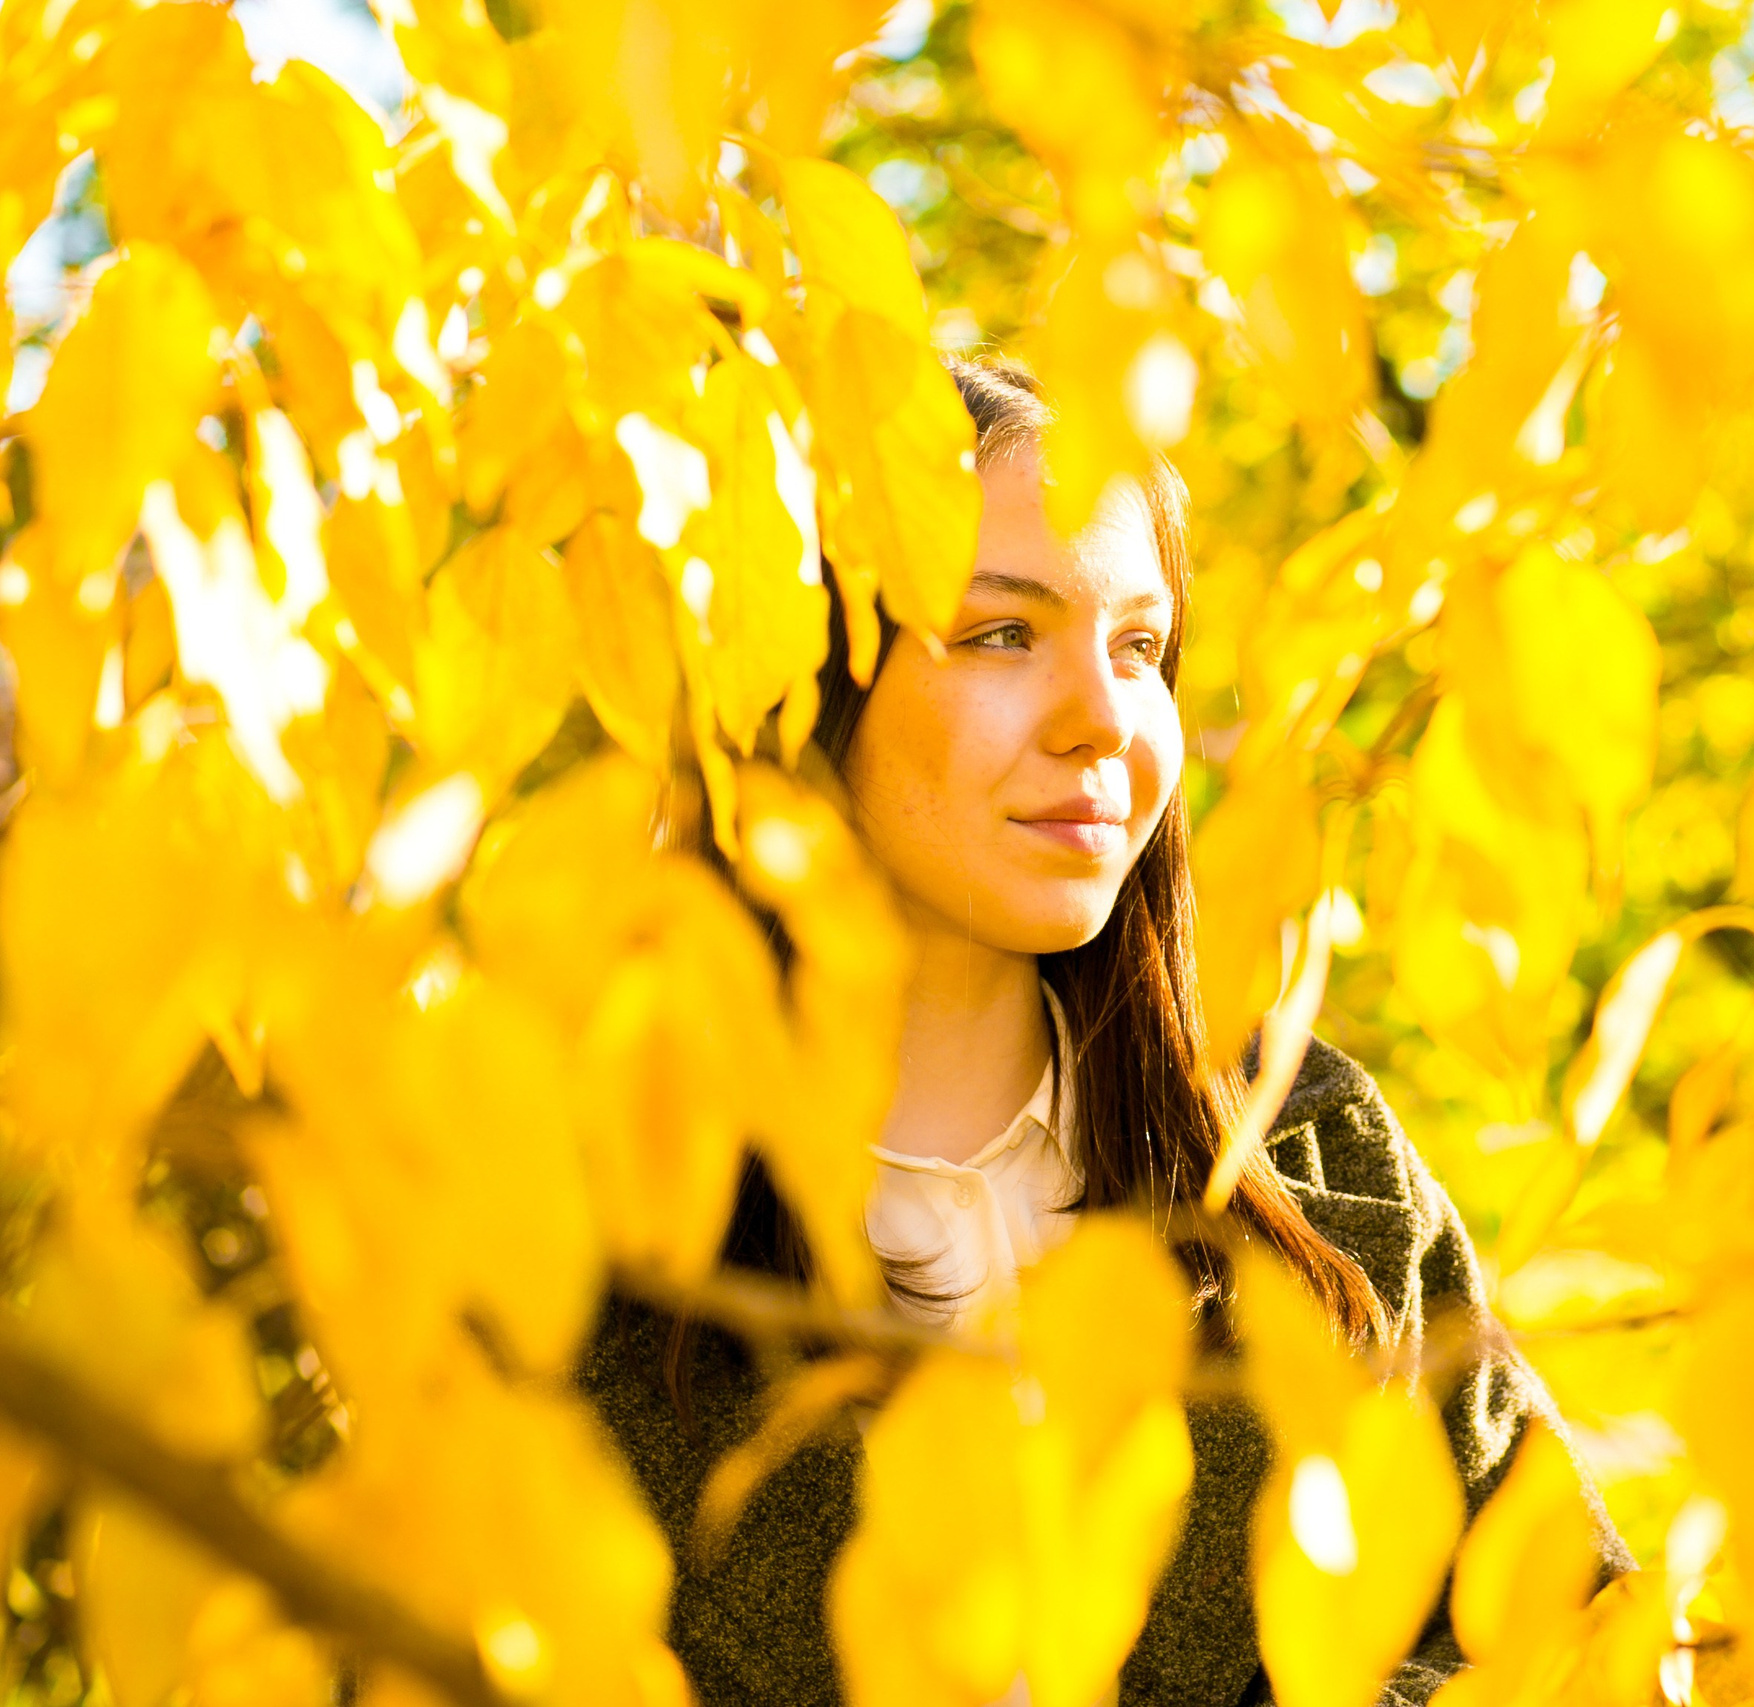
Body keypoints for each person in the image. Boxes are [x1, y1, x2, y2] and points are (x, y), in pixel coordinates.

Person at [578, 357, 1631, 1706]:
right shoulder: (584, 1206)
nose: (1103, 725)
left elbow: (1576, 1643)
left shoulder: (1304, 1145)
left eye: (1139, 648)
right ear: (801, 689)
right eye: (1001, 635)